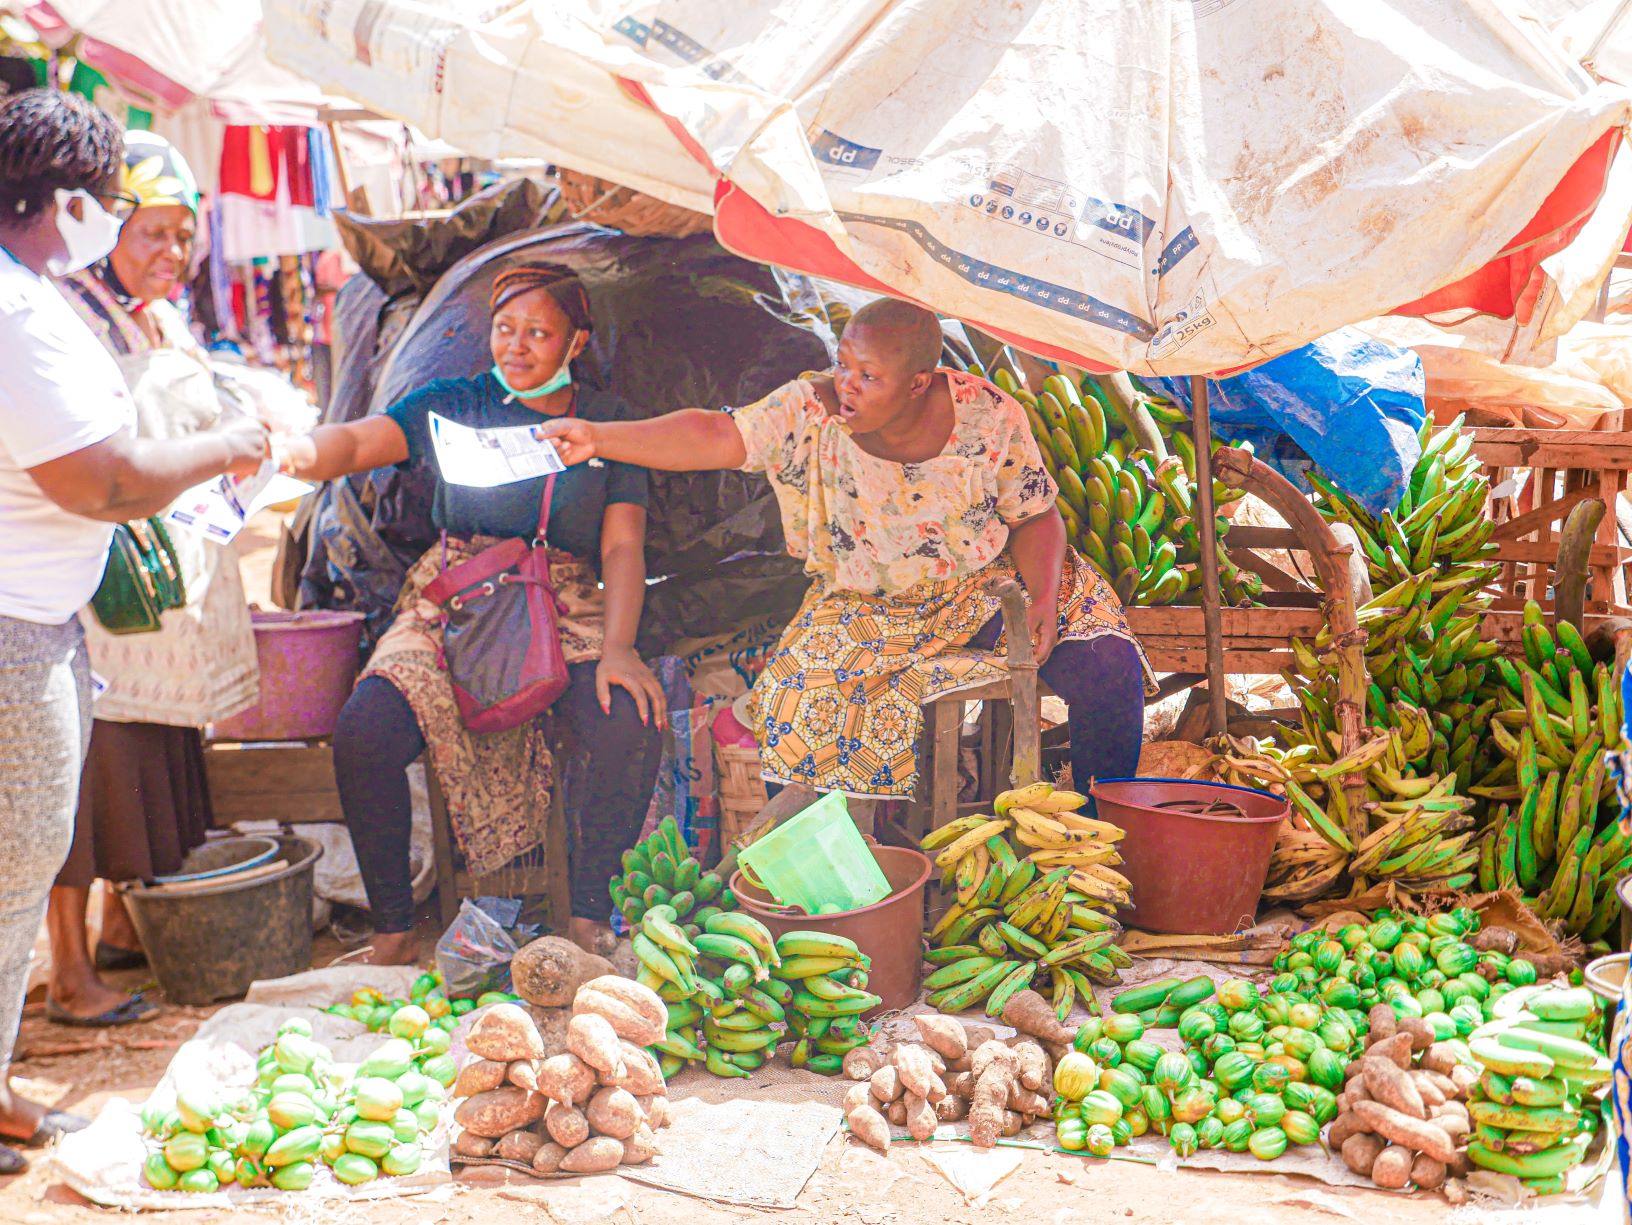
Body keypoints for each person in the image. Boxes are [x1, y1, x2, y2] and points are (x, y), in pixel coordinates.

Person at [540, 298, 1153, 824]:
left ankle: (1101, 845)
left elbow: (1036, 515)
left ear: (918, 382)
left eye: (869, 374)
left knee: (1108, 666)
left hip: (995, 585)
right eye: (843, 364)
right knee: (792, 699)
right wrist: (599, 437)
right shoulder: (809, 412)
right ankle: (845, 884)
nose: (847, 384)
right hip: (870, 606)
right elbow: (716, 435)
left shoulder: (987, 415)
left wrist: (1044, 596)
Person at [0, 89, 267, 1173]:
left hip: (29, 616)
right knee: (19, 869)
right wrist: (231, 445)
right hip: (17, 632)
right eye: (113, 206)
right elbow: (104, 479)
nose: (115, 227)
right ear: (65, 201)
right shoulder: (22, 314)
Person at [279, 262, 663, 961]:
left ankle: (587, 913)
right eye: (504, 329)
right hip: (456, 592)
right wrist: (292, 453)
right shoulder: (455, 402)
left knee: (626, 720)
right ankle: (394, 926)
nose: (516, 347)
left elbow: (623, 543)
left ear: (575, 343)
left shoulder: (606, 423)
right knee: (365, 732)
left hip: (567, 596)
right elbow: (363, 441)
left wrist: (619, 647)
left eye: (538, 333)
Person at [44, 131, 260, 1027]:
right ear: (106, 234)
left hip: (169, 581)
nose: (172, 255)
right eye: (151, 236)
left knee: (156, 756)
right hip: (107, 588)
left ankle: (132, 929)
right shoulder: (70, 319)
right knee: (95, 776)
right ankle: (69, 967)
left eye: (183, 236)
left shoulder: (160, 316)